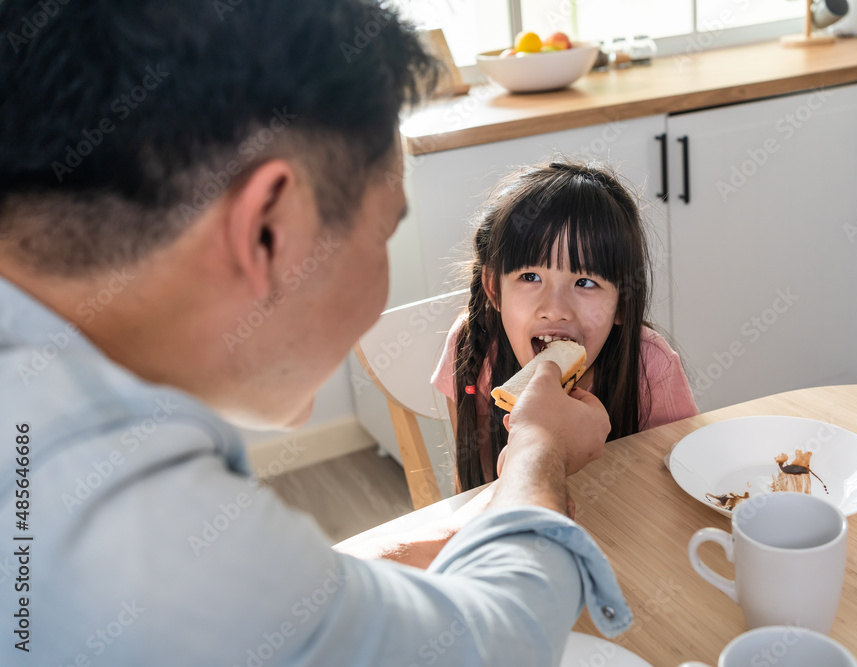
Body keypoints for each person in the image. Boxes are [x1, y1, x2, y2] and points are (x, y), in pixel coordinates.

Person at [0, 1, 632, 664]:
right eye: (385, 231)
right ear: (270, 229)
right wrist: (537, 450)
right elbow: (492, 646)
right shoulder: (134, 529)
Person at [432, 161, 699, 492]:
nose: (555, 309)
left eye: (585, 282)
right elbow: (473, 489)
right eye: (530, 277)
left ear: (623, 303)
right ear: (494, 290)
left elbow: (683, 484)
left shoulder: (651, 366)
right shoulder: (474, 347)